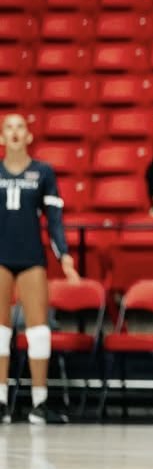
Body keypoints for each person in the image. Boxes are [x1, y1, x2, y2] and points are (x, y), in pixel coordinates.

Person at [0, 114, 82, 425]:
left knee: (38, 329)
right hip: (1, 257)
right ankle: (1, 401)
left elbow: (55, 220)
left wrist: (65, 257)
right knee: (0, 331)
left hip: (31, 255)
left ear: (29, 135)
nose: (15, 132)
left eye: (20, 127)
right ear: (2, 138)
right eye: (9, 127)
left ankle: (39, 401)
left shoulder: (43, 172)